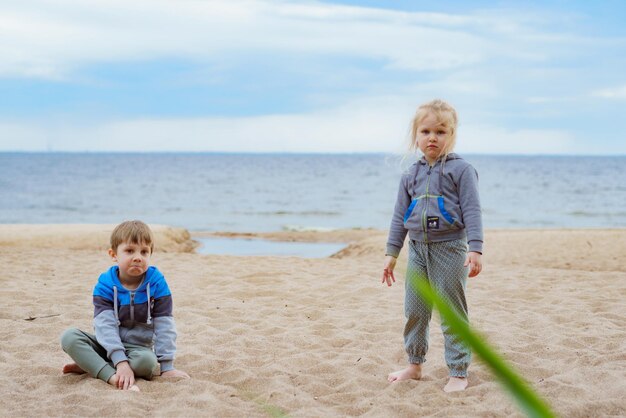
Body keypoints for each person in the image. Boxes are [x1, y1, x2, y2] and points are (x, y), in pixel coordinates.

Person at [381, 99, 483, 393]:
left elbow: (473, 211)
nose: (432, 138)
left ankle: (459, 371)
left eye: (440, 131)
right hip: (416, 250)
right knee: (415, 310)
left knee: (451, 312)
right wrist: (391, 254)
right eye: (425, 131)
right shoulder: (410, 175)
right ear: (416, 135)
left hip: (450, 249)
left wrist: (475, 248)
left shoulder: (461, 170)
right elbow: (400, 217)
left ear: (451, 134)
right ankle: (414, 365)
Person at [60, 220, 189, 391]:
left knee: (147, 363)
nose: (138, 257)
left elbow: (165, 325)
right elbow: (105, 325)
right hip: (105, 344)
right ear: (114, 254)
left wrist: (167, 367)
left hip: (138, 349)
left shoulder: (157, 283)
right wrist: (120, 362)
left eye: (144, 252)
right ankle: (110, 374)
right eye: (129, 251)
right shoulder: (105, 285)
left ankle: (92, 365)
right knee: (69, 337)